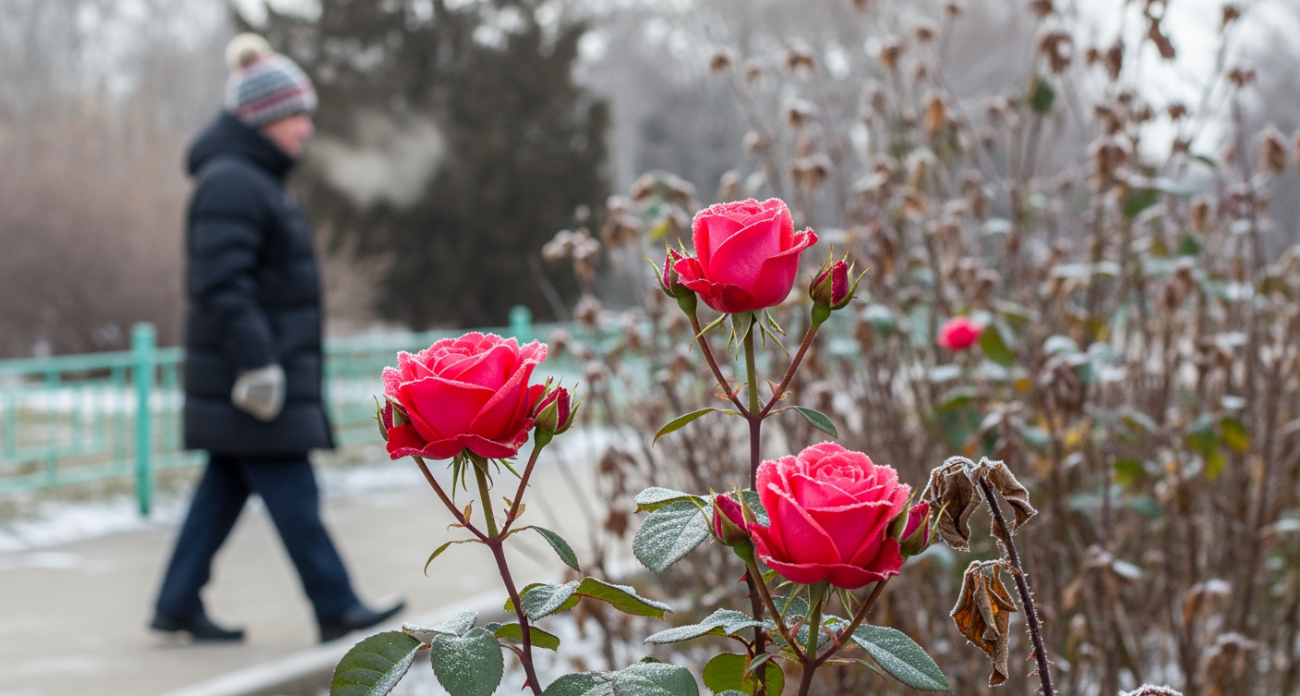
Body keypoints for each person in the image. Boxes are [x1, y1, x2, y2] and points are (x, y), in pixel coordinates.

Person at [150, 34, 404, 643]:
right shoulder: (234, 182)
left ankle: (175, 604)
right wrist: (259, 365)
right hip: (256, 378)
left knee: (225, 489)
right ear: (264, 117)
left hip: (257, 376)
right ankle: (336, 606)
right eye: (297, 115)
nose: (307, 129)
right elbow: (220, 285)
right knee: (293, 491)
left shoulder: (254, 179)